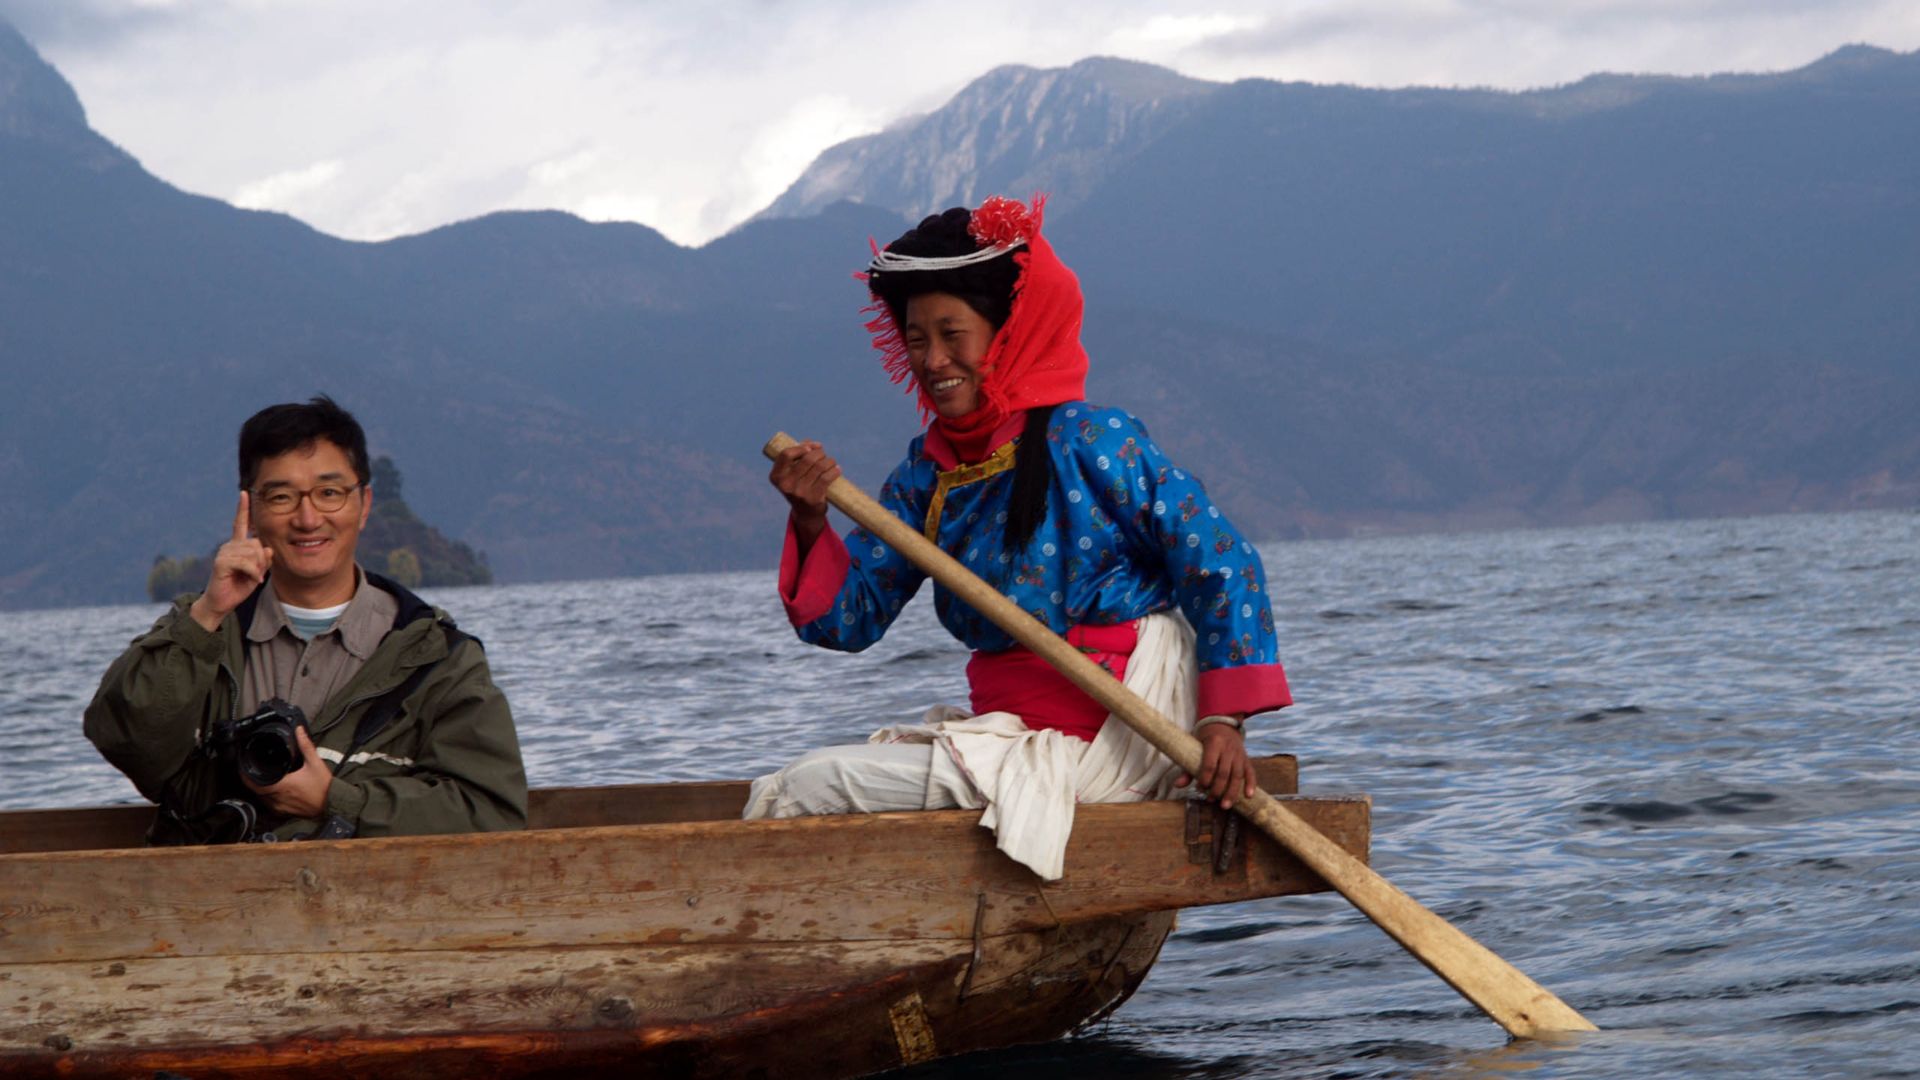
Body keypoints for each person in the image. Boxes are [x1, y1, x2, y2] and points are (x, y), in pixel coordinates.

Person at [746, 195, 1291, 879]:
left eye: (953, 334)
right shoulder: (926, 475)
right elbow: (847, 621)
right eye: (916, 339)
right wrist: (810, 518)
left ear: (1009, 333)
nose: (933, 360)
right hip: (1010, 735)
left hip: (1120, 734)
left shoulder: (1094, 440)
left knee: (796, 792)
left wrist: (1222, 724)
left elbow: (1222, 561)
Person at [85, 396, 527, 843]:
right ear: (250, 511)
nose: (308, 518)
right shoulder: (205, 633)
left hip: (371, 890)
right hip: (213, 888)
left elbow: (491, 811)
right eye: (281, 497)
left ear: (364, 504)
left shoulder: (437, 658)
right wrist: (208, 614)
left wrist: (334, 801)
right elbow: (126, 742)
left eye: (329, 493)